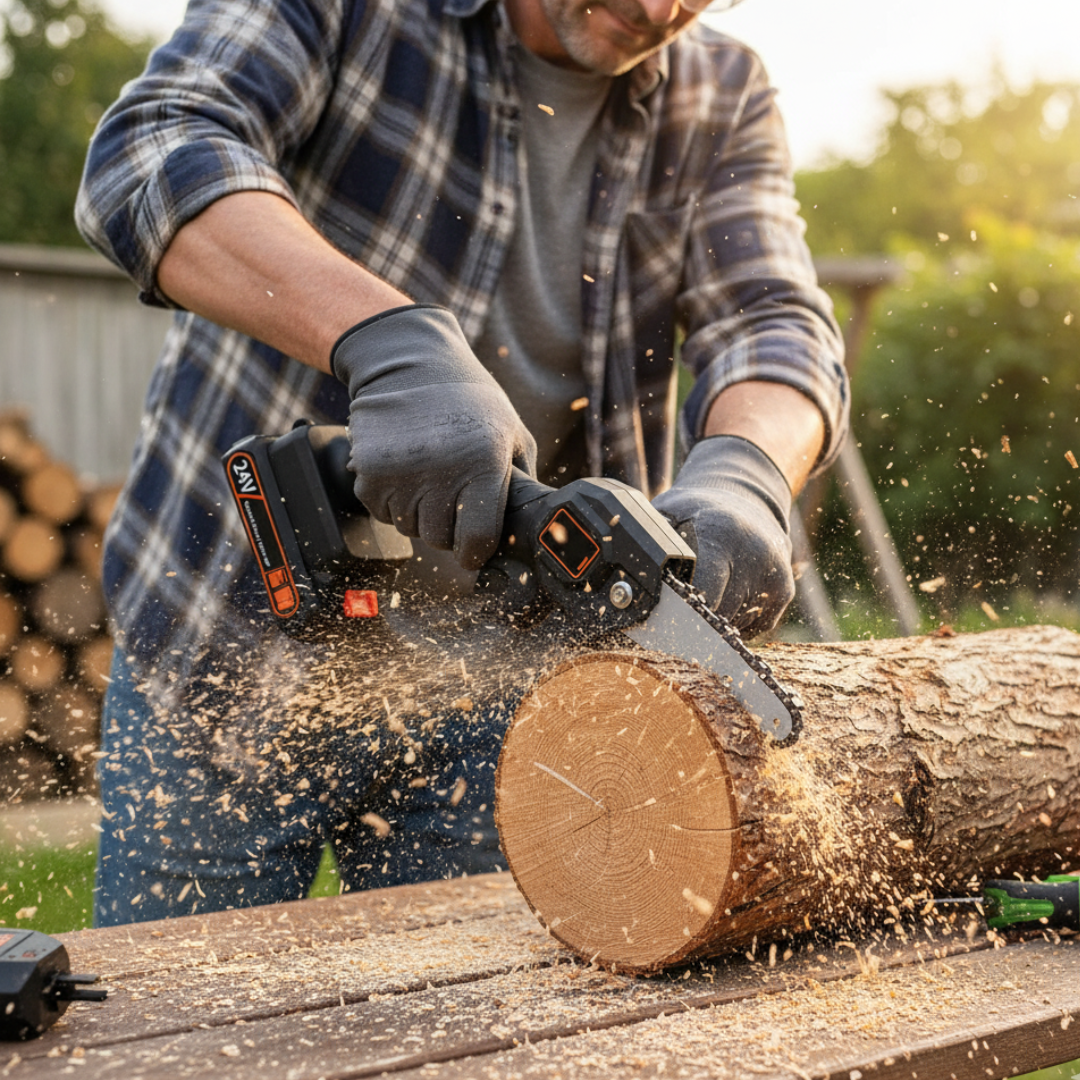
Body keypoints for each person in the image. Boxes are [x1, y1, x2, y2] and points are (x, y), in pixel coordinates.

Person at [76, 0, 848, 927]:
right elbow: (153, 146)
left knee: (480, 1034)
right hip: (230, 640)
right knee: (180, 1040)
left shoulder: (722, 90)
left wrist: (747, 471)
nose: (656, 11)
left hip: (504, 691)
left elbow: (773, 322)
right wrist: (383, 341)